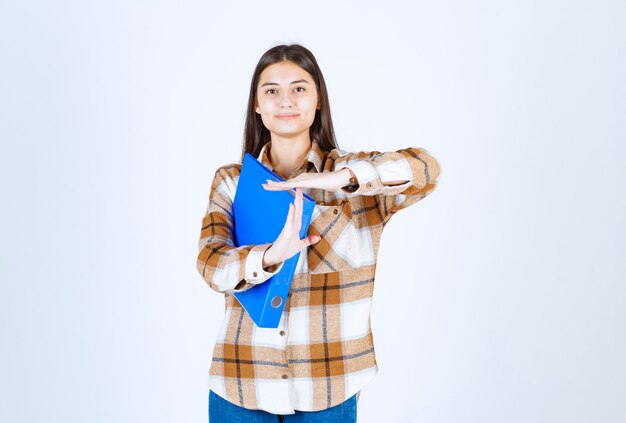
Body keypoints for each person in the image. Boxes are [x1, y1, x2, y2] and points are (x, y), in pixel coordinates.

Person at [196, 43, 440, 422]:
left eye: (299, 88)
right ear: (257, 105)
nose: (285, 101)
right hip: (241, 380)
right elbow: (211, 264)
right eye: (271, 91)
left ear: (318, 100)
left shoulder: (359, 185)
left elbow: (427, 169)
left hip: (328, 384)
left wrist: (341, 177)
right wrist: (271, 255)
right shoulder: (232, 181)